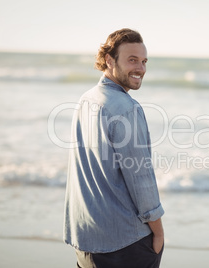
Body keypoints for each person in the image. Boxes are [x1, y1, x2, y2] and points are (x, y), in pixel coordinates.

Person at [63, 28, 164, 268]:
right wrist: (158, 233)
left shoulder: (86, 99)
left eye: (143, 61)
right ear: (109, 60)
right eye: (132, 60)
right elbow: (141, 178)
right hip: (125, 244)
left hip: (85, 239)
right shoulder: (127, 108)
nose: (140, 68)